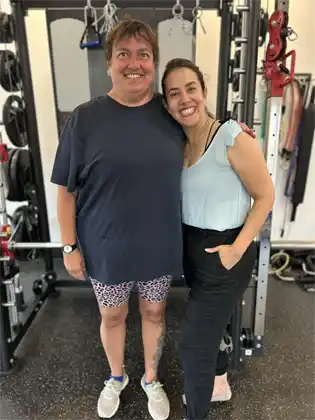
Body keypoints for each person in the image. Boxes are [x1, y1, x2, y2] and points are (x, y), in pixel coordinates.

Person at [50, 18, 255, 420]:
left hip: (158, 245)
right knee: (111, 314)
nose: (134, 63)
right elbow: (65, 189)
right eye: (123, 54)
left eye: (144, 55)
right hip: (105, 244)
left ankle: (150, 378)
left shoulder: (169, 115)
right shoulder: (84, 119)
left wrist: (236, 132)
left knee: (154, 314)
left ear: (153, 63)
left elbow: (204, 129)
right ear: (109, 62)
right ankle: (115, 376)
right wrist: (69, 245)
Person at [161, 57, 275, 420]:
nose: (185, 99)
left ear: (204, 92)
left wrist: (236, 250)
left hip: (227, 252)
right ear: (166, 104)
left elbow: (266, 195)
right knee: (214, 325)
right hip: (194, 251)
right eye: (174, 93)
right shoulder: (177, 142)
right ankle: (220, 381)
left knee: (194, 345)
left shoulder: (231, 136)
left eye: (191, 88)